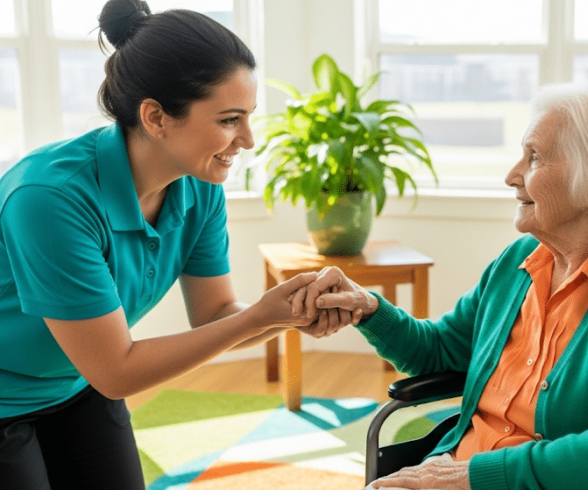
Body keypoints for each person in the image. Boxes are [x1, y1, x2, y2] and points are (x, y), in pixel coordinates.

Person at [303, 83, 588, 489]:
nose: (511, 176)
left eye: (534, 157)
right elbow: (440, 352)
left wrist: (475, 476)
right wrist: (369, 310)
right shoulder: (518, 263)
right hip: (453, 473)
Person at [0, 1, 340, 488]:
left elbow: (217, 314)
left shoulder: (200, 186)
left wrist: (288, 314)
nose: (246, 139)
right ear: (156, 117)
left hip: (78, 384)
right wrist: (263, 316)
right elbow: (117, 371)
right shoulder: (49, 198)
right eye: (228, 120)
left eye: (248, 117)